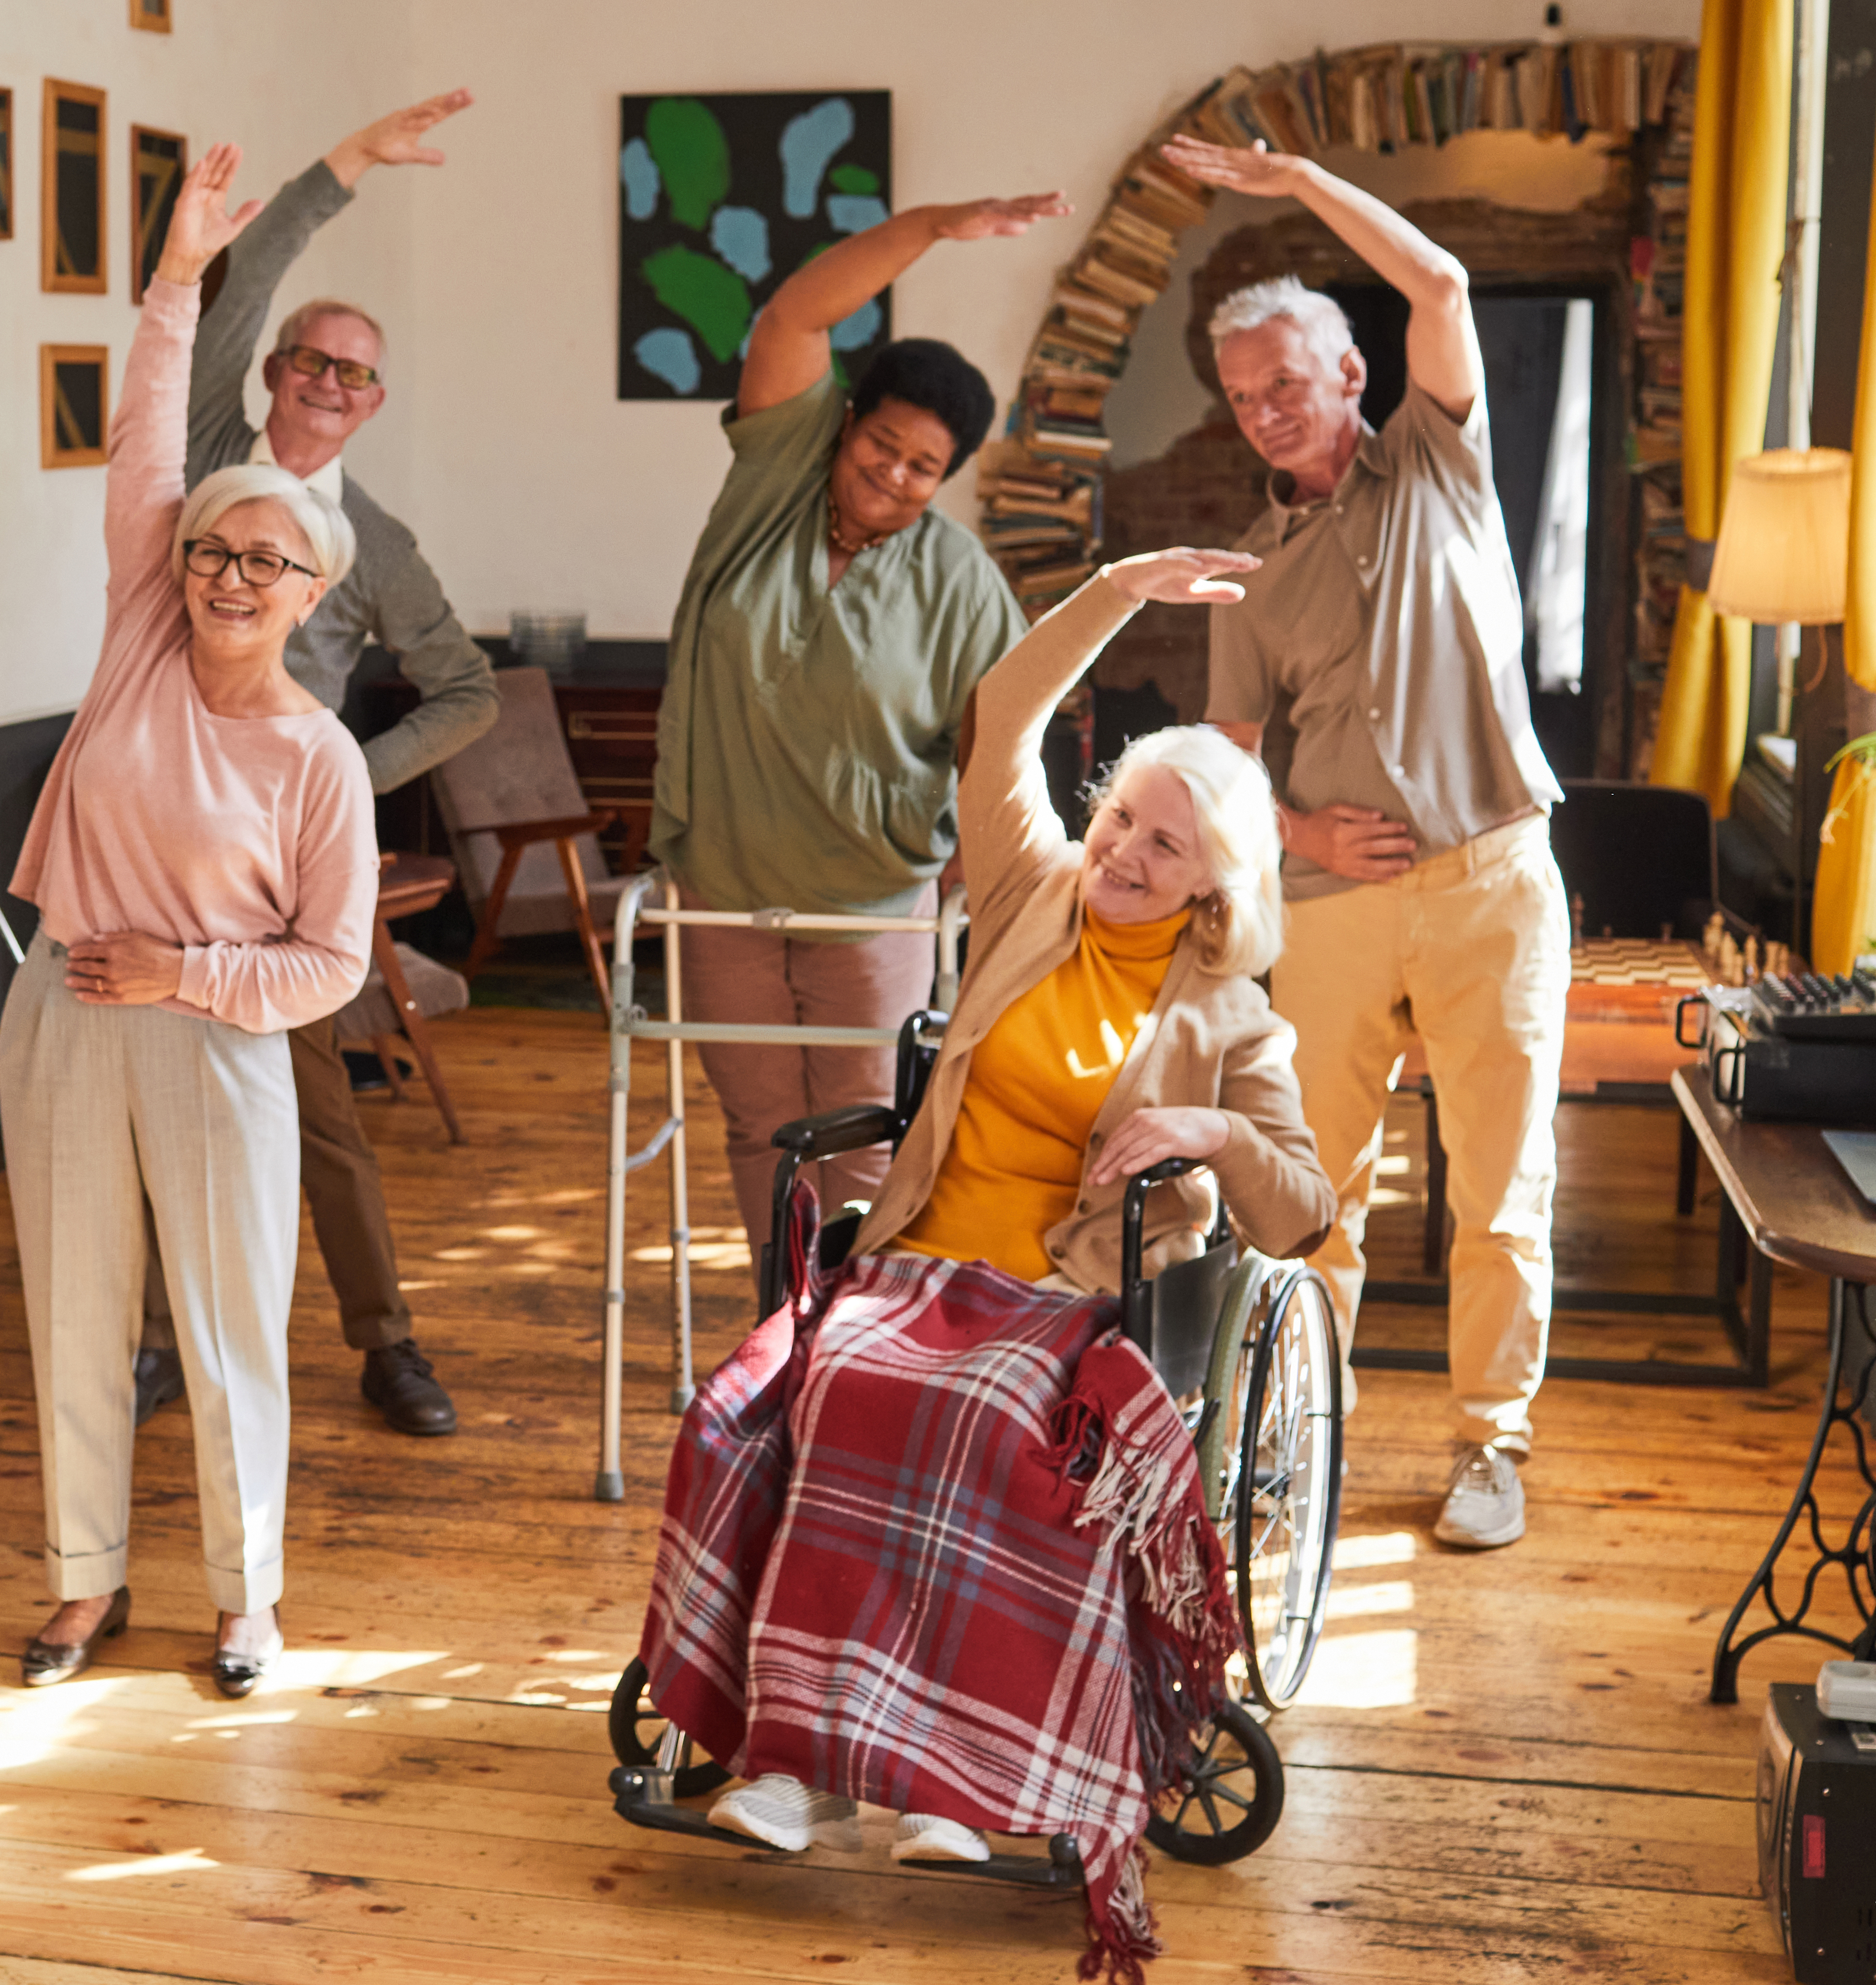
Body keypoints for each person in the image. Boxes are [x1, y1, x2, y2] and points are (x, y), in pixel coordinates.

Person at [642, 551, 1333, 1972]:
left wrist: (1208, 1126)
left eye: (1165, 846)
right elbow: (1003, 713)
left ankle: (944, 1781)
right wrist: (1121, 590)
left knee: (970, 1418)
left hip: (1065, 1296)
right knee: (790, 1393)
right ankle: (795, 1764)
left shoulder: (1234, 1019)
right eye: (1121, 817)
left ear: (1219, 881)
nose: (1124, 853)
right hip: (921, 1256)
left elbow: (1302, 1209)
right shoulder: (1031, 892)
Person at [2, 142, 378, 1701]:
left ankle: (247, 1601)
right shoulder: (142, 632)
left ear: (308, 591)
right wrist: (174, 280)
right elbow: (146, 442)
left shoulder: (318, 757)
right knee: (73, 1312)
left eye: (264, 560)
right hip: (63, 1011)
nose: (229, 574)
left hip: (213, 1043)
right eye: (213, 550)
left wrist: (189, 972)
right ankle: (83, 1577)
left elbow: (332, 964)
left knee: (228, 1333)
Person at [1162, 134, 1572, 1554]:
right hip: (1330, 904)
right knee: (1312, 1188)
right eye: (1241, 398)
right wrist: (1296, 827)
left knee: (1499, 1188)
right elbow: (1223, 754)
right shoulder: (1246, 571)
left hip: (1492, 880)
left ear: (1349, 372)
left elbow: (1439, 281)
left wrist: (1294, 185)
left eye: (1285, 382)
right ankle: (1297, 1438)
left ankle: (1488, 1445)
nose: (1265, 412)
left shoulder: (1439, 462)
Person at [126, 87, 493, 1442]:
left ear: (375, 402)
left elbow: (466, 692)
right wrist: (344, 166)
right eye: (310, 361)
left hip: (281, 863)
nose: (328, 382)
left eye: (355, 373)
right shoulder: (209, 454)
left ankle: (385, 1341)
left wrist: (347, 774)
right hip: (153, 830)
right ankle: (158, 1342)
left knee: (318, 1111)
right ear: (276, 371)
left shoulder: (375, 543)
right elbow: (237, 286)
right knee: (156, 1101)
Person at [650, 192, 1061, 1265]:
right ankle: (781, 1326)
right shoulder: (772, 484)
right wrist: (930, 226)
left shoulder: (959, 579)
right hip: (725, 888)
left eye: (925, 466)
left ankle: (852, 1335)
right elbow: (792, 316)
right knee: (758, 1130)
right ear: (845, 423)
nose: (895, 473)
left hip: (873, 907)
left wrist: (978, 876)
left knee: (866, 1142)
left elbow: (1007, 738)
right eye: (883, 443)